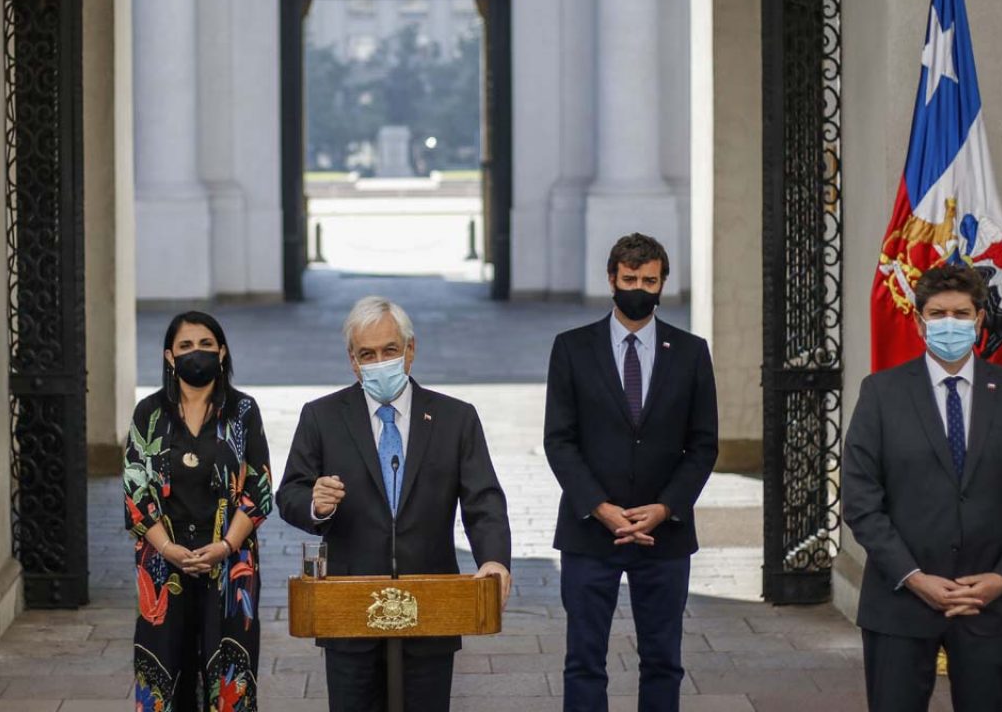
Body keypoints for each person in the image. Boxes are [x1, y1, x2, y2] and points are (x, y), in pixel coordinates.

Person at [276, 295, 512, 711]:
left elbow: (484, 499)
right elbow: (290, 494)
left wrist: (493, 559)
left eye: (389, 350)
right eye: (367, 354)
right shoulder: (323, 417)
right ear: (352, 360)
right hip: (349, 613)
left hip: (431, 609)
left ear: (410, 350)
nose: (379, 361)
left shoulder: (456, 418)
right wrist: (317, 503)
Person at [842, 264, 1002, 712]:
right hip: (900, 602)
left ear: (979, 320)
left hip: (988, 603)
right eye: (938, 314)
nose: (950, 323)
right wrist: (914, 578)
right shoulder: (881, 393)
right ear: (919, 322)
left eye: (961, 314)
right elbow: (861, 499)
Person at [545, 234, 718, 712]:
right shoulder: (572, 348)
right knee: (584, 660)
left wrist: (665, 508)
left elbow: (703, 445)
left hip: (664, 534)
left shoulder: (690, 352)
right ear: (611, 280)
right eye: (629, 279)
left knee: (663, 660)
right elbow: (559, 440)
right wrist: (600, 508)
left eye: (649, 280)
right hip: (589, 531)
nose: (638, 288)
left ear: (663, 284)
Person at [123, 311, 272, 711]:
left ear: (222, 352)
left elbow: (258, 489)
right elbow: (136, 494)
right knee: (164, 672)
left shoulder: (243, 411)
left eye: (206, 344)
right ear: (170, 357)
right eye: (186, 346)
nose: (197, 353)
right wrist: (169, 549)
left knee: (229, 677)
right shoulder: (149, 414)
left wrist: (225, 546)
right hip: (162, 564)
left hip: (230, 562)